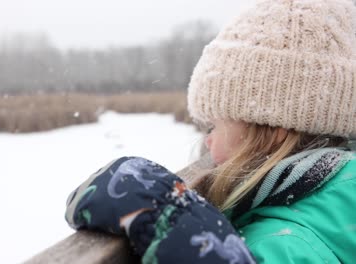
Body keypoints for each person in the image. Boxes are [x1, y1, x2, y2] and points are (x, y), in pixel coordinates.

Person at [65, 0, 356, 263]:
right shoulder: (337, 200)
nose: (208, 140)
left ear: (274, 130)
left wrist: (170, 218)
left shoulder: (286, 244)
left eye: (214, 125)